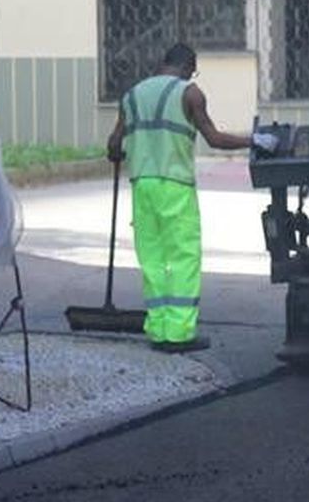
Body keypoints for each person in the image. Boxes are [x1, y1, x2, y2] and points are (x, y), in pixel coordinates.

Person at [106, 43, 277, 353]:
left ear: (164, 62)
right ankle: (180, 334)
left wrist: (121, 153)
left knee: (152, 258)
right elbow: (214, 138)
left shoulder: (132, 95)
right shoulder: (190, 93)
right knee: (183, 258)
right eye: (192, 71)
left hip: (142, 186)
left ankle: (158, 330)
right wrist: (254, 141)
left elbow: (114, 144)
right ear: (188, 66)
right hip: (175, 186)